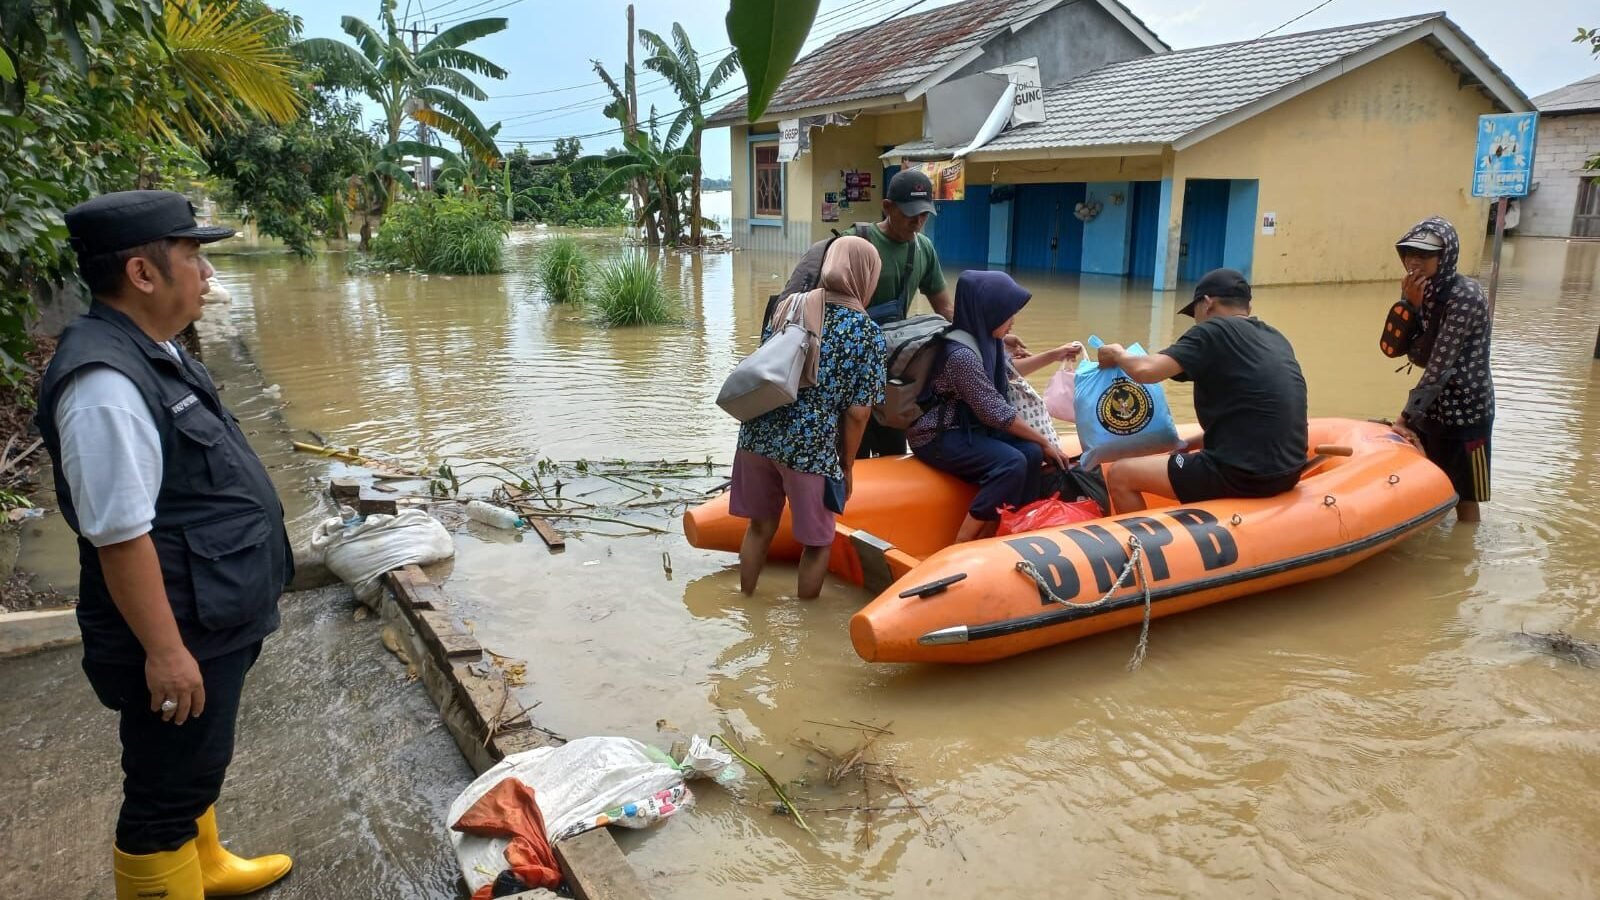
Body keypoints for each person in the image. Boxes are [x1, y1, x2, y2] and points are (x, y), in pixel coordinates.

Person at [35, 191, 294, 900]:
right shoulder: (104, 385)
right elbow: (120, 537)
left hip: (208, 608)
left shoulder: (153, 350)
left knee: (195, 766)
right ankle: (171, 871)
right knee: (163, 796)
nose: (207, 274)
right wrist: (167, 653)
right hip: (177, 625)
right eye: (192, 257)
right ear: (143, 273)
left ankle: (204, 864)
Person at [733, 235, 888, 598]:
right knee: (818, 543)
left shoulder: (789, 306)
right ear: (866, 275)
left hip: (757, 430)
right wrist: (846, 465)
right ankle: (806, 621)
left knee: (759, 528)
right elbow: (858, 414)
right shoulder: (867, 333)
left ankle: (746, 606)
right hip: (810, 447)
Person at [1096, 267, 1308, 514]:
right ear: (1248, 308)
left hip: (1242, 475)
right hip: (1289, 472)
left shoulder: (1213, 330)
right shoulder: (1276, 338)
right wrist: (1188, 444)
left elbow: (1146, 371)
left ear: (1207, 303)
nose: (1195, 321)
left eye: (1194, 312)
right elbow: (1250, 418)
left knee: (1120, 475)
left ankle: (1140, 538)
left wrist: (1117, 353)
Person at [908, 271, 1076, 543]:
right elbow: (996, 413)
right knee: (1011, 463)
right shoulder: (960, 355)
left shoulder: (989, 342)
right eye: (1008, 314)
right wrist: (1045, 440)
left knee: (1031, 453)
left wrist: (1055, 354)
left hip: (970, 428)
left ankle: (1012, 528)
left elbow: (1010, 372)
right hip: (938, 435)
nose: (1013, 321)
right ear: (990, 311)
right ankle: (962, 541)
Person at [1387, 216, 1493, 522]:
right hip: (1431, 407)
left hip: (1466, 410)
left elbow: (1439, 364)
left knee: (1466, 496)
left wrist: (1404, 417)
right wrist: (1410, 304)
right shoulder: (1423, 292)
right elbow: (1398, 349)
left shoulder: (1466, 296)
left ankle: (1467, 546)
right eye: (1410, 254)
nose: (1414, 262)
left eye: (1424, 255)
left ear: (1444, 257)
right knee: (1425, 482)